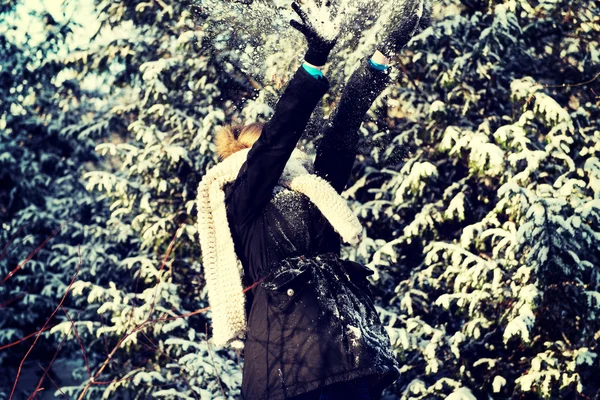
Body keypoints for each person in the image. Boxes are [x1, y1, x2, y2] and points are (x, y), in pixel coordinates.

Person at [196, 1, 431, 399]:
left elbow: (344, 126)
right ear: (244, 157)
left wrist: (382, 56)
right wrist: (315, 58)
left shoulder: (313, 187)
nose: (287, 156)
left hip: (349, 357)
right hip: (287, 366)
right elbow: (276, 142)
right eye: (264, 150)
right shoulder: (242, 196)